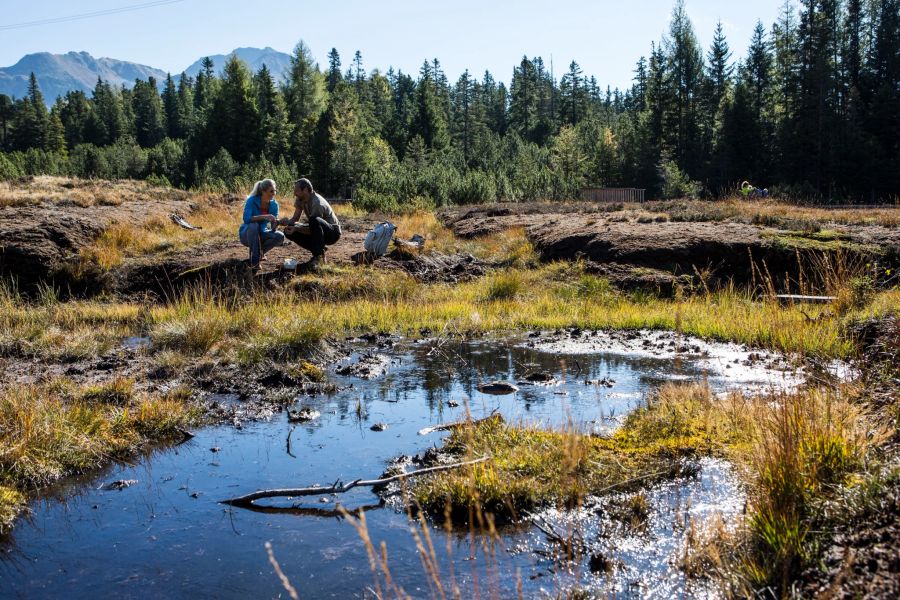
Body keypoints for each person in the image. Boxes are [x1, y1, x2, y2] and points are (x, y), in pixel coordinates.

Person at [279, 178, 341, 269]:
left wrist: (297, 228)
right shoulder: (300, 199)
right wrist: (285, 222)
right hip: (317, 228)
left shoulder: (317, 203)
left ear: (305, 190)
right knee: (288, 229)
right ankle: (320, 251)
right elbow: (295, 218)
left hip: (332, 233)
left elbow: (313, 227)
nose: (294, 193)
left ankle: (318, 257)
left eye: (296, 191)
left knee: (313, 220)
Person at [239, 178, 285, 269]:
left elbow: (272, 228)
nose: (274, 193)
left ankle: (258, 254)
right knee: (254, 225)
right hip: (247, 234)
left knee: (280, 236)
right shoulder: (252, 200)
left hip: (262, 233)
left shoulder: (275, 205)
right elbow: (246, 219)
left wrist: (277, 222)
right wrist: (264, 216)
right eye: (271, 191)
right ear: (263, 191)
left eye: (274, 191)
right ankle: (255, 262)